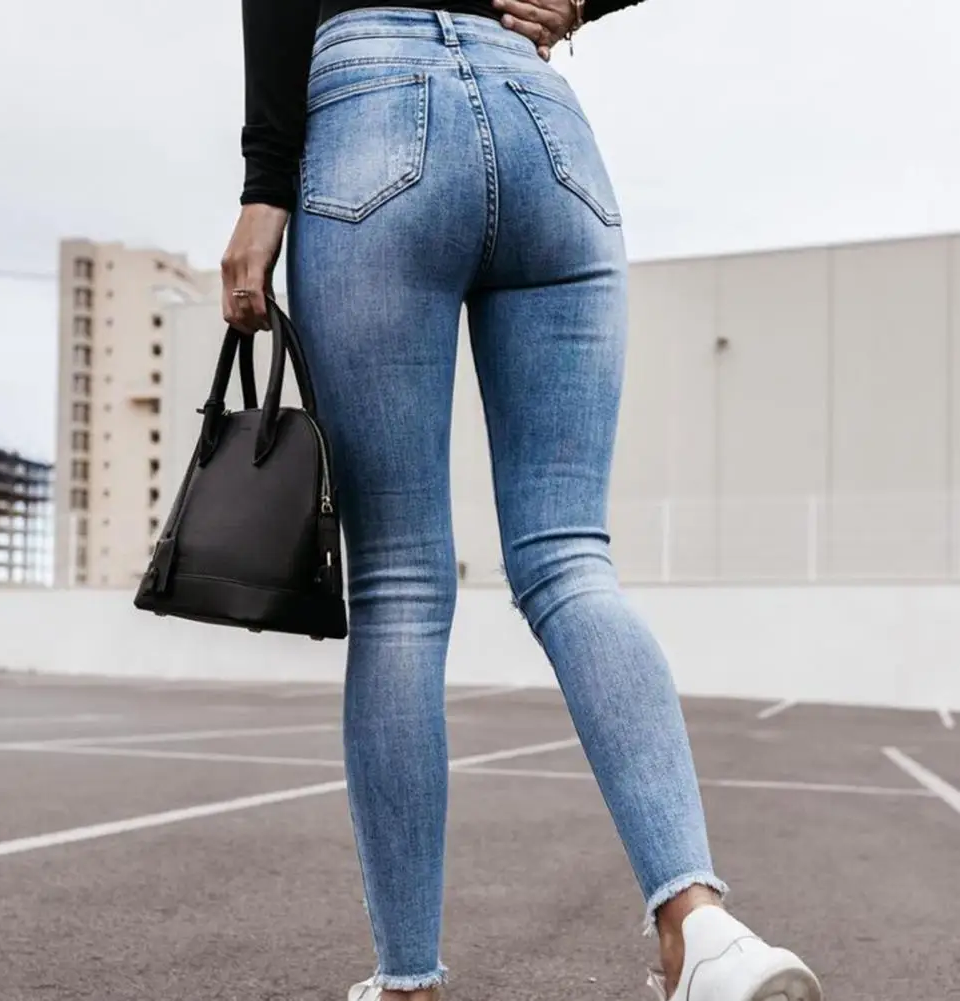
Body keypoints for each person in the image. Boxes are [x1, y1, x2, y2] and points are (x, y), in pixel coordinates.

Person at [220, 2, 824, 1000]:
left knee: (401, 584)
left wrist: (263, 182)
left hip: (371, 116)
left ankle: (408, 983)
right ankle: (699, 928)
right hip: (545, 129)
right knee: (570, 558)